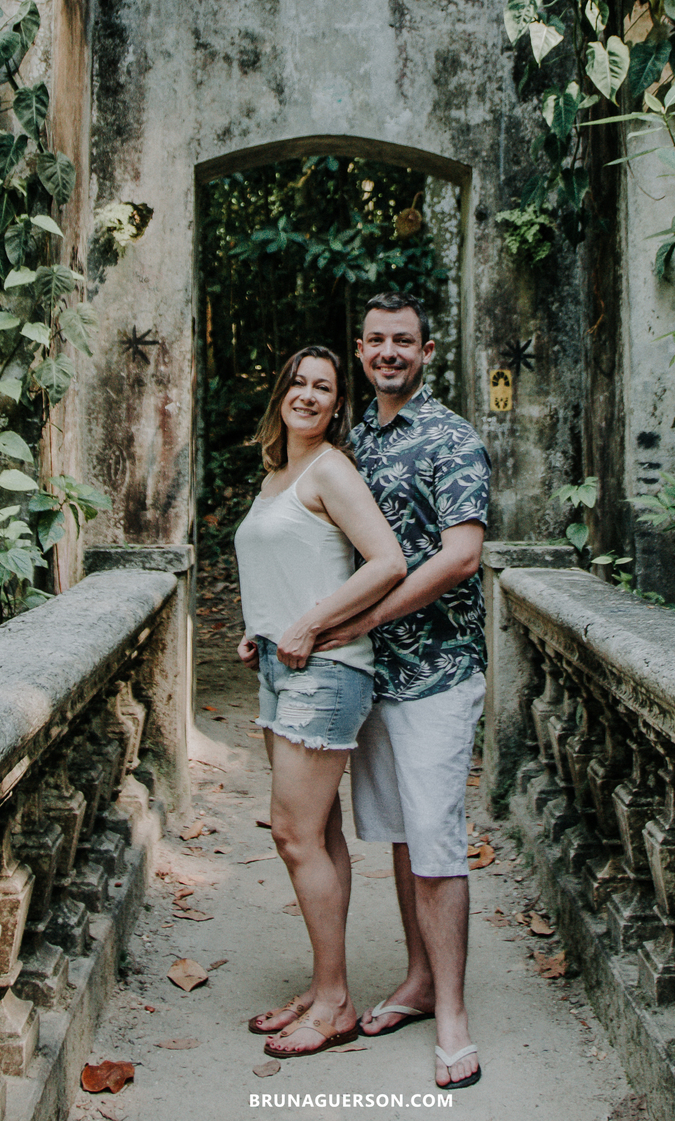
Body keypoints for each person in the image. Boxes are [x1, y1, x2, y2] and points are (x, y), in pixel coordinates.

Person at [313, 292, 491, 1091]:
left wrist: (370, 618)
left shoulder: (450, 438)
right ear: (360, 350)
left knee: (437, 840)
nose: (390, 352)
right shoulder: (352, 443)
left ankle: (452, 1017)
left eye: (404, 342)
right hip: (371, 676)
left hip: (440, 674)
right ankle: (418, 983)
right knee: (397, 833)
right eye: (377, 341)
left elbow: (461, 556)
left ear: (426, 352)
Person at [234, 344, 407, 1061]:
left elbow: (388, 561)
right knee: (319, 834)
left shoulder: (332, 467)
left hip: (327, 668)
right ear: (282, 392)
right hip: (282, 666)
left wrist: (308, 624)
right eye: (298, 382)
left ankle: (334, 1003)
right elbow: (292, 565)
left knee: (293, 835)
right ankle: (323, 987)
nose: (307, 394)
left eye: (323, 388)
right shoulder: (279, 474)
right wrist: (263, 629)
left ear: (338, 405)